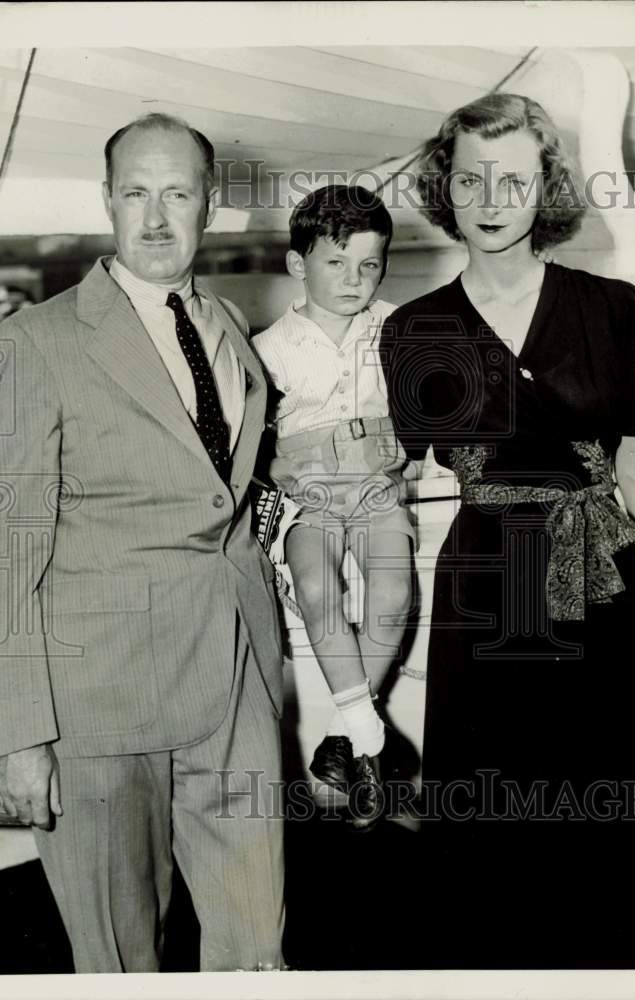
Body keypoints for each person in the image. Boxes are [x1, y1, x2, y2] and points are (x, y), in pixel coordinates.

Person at [0, 113, 286, 973]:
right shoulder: (36, 342)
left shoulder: (226, 328)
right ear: (106, 200)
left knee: (258, 949)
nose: (155, 218)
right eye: (135, 193)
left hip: (233, 684)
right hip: (96, 709)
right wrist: (18, 735)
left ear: (209, 205)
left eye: (177, 193)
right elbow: (1, 549)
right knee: (118, 963)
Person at [382, 93, 635, 966]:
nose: (489, 197)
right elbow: (390, 473)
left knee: (594, 799)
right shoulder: (413, 330)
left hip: (597, 572)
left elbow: (632, 466)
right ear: (447, 186)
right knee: (485, 809)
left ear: (543, 188)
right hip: (486, 581)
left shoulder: (615, 309)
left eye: (511, 179)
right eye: (470, 177)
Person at [252, 185, 417, 831]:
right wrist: (272, 467)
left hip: (377, 486)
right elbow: (248, 443)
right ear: (299, 265)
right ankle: (367, 737)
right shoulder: (268, 348)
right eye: (335, 263)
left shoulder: (398, 327)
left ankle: (344, 736)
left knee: (394, 594)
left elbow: (427, 405)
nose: (354, 279)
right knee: (317, 589)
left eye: (369, 265)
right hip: (309, 497)